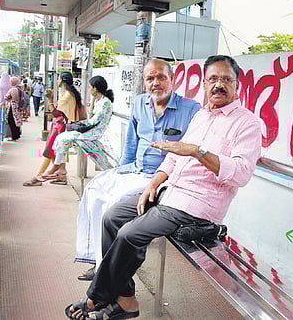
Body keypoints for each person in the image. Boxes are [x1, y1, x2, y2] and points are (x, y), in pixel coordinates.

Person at [65, 55, 262, 320]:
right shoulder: (202, 115)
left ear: (237, 85)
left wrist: (198, 151)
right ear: (204, 83)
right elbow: (174, 155)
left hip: (196, 203)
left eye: (226, 79)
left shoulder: (246, 123)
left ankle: (96, 298)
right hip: (169, 190)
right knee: (112, 217)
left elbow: (241, 173)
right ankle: (127, 301)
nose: (219, 85)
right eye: (213, 79)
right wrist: (155, 183)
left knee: (129, 234)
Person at [74, 59, 201, 281]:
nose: (156, 83)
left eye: (161, 77)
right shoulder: (140, 103)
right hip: (135, 170)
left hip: (161, 177)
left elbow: (191, 153)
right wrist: (121, 170)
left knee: (113, 206)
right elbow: (131, 144)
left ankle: (109, 271)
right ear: (144, 82)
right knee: (94, 192)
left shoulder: (191, 109)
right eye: (149, 78)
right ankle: (97, 259)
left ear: (172, 79)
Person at [42, 75, 115, 185]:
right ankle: (59, 168)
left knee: (62, 139)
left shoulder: (105, 102)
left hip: (94, 133)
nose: (89, 89)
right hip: (89, 130)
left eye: (90, 87)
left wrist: (77, 126)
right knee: (61, 138)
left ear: (95, 88)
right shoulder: (99, 100)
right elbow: (90, 118)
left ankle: (57, 166)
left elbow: (92, 121)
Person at [23, 71, 85, 186]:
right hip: (61, 126)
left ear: (61, 80)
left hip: (59, 127)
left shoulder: (66, 96)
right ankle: (61, 175)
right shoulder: (70, 94)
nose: (57, 80)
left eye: (58, 78)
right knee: (56, 152)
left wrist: (50, 100)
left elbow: (56, 113)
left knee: (49, 151)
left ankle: (39, 176)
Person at [5, 76, 24, 141]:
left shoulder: (13, 89)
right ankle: (17, 135)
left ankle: (14, 136)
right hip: (17, 107)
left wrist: (7, 97)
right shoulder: (19, 89)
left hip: (13, 108)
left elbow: (8, 97)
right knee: (16, 121)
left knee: (12, 121)